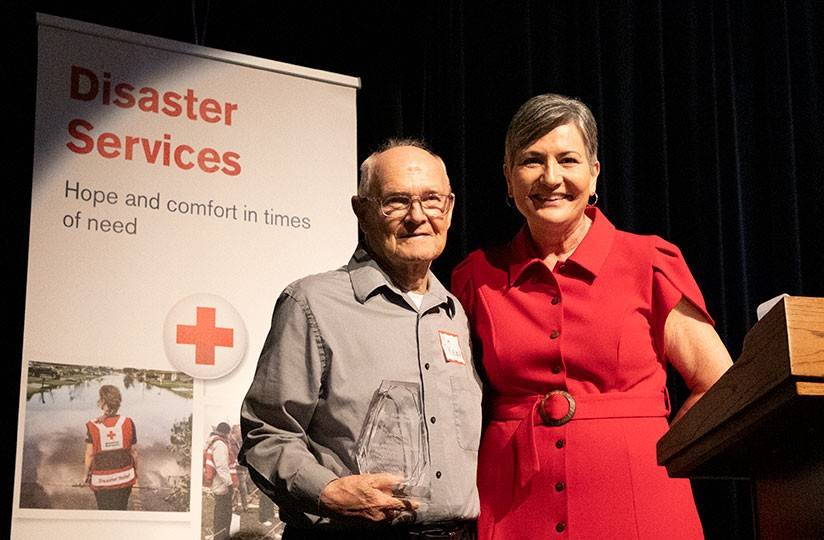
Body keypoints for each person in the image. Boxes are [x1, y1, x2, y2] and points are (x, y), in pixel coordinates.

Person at [451, 94, 734, 539]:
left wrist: (661, 457)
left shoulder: (649, 261)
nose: (551, 178)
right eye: (531, 161)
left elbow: (718, 382)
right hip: (512, 506)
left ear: (594, 172)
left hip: (639, 497)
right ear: (508, 179)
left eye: (568, 159)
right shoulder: (475, 277)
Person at [241, 139, 482, 539]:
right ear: (361, 211)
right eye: (396, 201)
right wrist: (327, 490)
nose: (417, 216)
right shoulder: (312, 303)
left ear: (450, 208)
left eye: (432, 200)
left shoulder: (456, 314)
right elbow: (266, 432)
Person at [83, 384, 138, 510]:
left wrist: (85, 475)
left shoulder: (93, 425)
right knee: (121, 508)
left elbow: (90, 454)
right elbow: (134, 452)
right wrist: (137, 472)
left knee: (104, 510)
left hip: (102, 481)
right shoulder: (128, 422)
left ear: (102, 401)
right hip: (125, 478)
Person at [205, 422, 238, 540]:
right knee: (223, 513)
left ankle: (221, 536)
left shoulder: (215, 442)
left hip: (220, 484)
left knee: (222, 511)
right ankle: (221, 537)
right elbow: (222, 467)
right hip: (222, 485)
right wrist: (230, 485)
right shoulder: (220, 445)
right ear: (227, 433)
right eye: (229, 433)